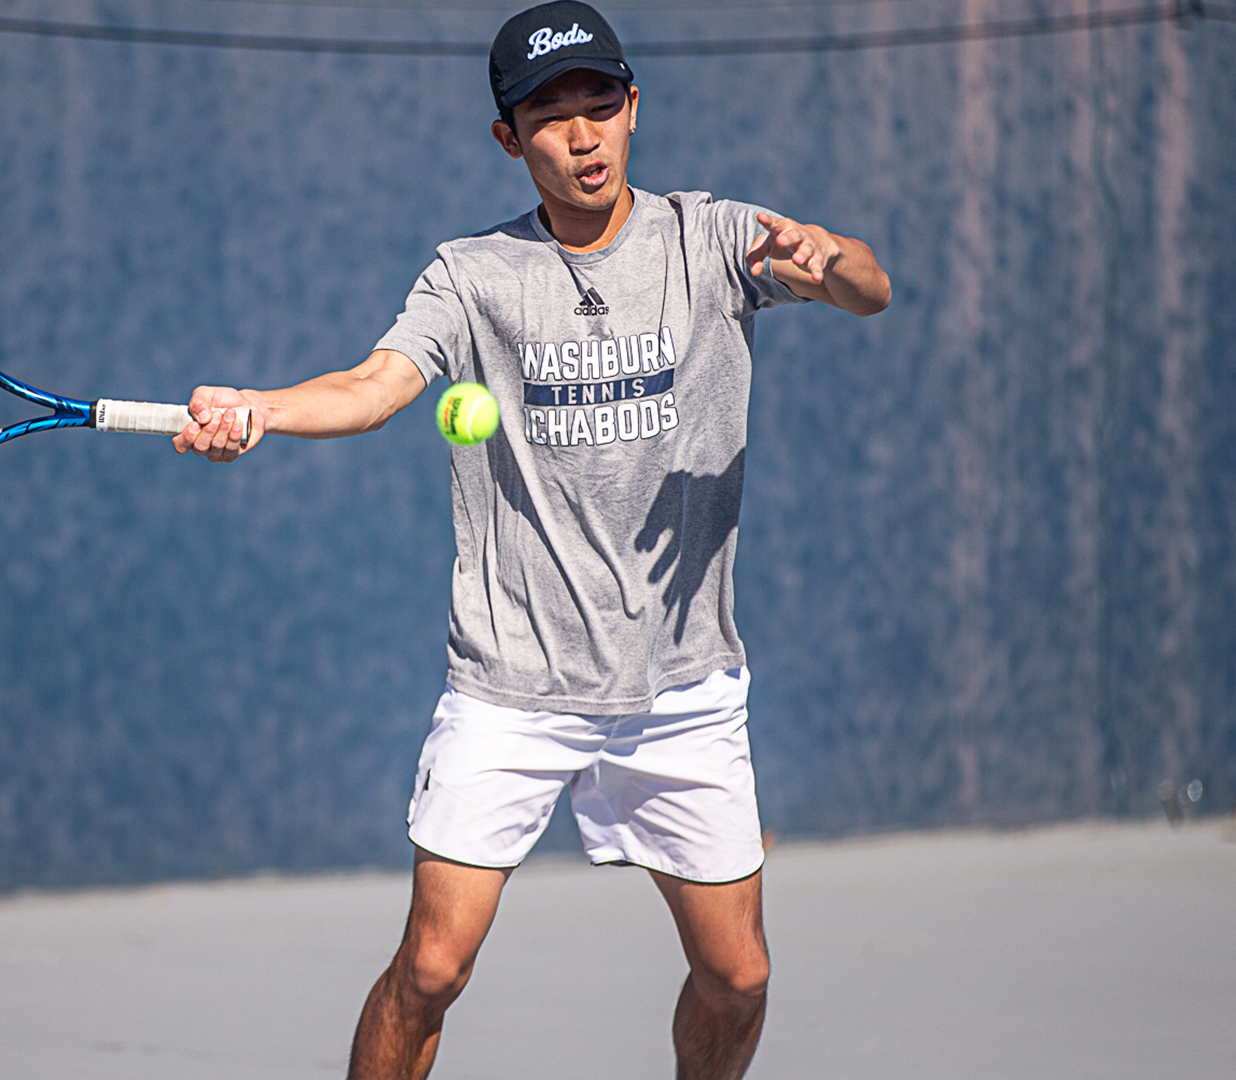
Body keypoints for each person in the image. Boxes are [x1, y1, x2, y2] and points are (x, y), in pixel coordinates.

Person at [174, 3, 889, 1076]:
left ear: (634, 108)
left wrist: (831, 260)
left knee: (739, 976)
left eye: (600, 105)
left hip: (681, 687)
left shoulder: (714, 238)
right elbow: (374, 387)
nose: (583, 135)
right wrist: (263, 408)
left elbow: (869, 291)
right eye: (551, 117)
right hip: (511, 683)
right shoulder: (470, 277)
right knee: (430, 969)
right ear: (511, 139)